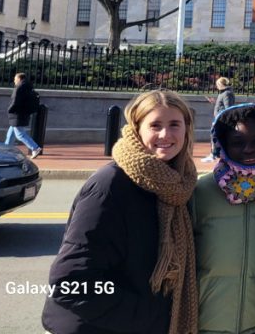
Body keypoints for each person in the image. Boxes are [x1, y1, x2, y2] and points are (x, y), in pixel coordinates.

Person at [42, 90, 199, 334]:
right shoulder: (111, 184)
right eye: (155, 125)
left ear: (187, 129)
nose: (165, 134)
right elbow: (69, 283)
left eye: (174, 125)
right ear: (137, 130)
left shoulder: (178, 185)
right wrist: (149, 316)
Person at [193, 103, 255, 334]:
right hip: (208, 322)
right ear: (221, 144)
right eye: (237, 142)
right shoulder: (199, 191)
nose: (248, 149)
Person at [6, 72, 42, 159]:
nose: (14, 81)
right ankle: (6, 149)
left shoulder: (19, 88)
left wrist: (10, 110)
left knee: (20, 134)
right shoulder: (28, 87)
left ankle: (35, 148)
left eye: (15, 79)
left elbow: (15, 101)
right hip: (23, 113)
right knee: (11, 132)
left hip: (17, 113)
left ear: (19, 79)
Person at [202, 77, 236, 162]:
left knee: (215, 136)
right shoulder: (223, 93)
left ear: (221, 84)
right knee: (215, 136)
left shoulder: (227, 93)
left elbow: (228, 108)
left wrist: (224, 119)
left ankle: (214, 154)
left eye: (217, 84)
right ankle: (215, 154)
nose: (216, 86)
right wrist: (214, 102)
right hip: (219, 118)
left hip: (221, 119)